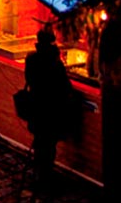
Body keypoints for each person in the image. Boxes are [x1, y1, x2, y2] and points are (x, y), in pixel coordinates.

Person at [24, 28, 76, 190]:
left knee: (40, 142)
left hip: (36, 106)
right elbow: (64, 86)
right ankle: (45, 176)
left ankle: (38, 174)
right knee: (49, 144)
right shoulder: (55, 62)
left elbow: (29, 78)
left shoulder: (31, 58)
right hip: (51, 109)